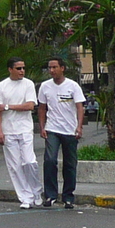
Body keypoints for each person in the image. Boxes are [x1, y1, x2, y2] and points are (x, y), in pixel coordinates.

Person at [35, 57, 86, 210]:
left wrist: (79, 126)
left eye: (55, 67)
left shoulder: (73, 86)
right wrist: (42, 127)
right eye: (50, 67)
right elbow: (42, 108)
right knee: (50, 160)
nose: (52, 70)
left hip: (70, 130)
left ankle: (68, 197)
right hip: (52, 129)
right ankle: (50, 195)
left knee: (70, 163)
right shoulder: (45, 86)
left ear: (62, 68)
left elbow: (79, 107)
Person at [0, 59, 43, 209]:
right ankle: (25, 197)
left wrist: (8, 106)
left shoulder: (28, 84)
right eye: (18, 68)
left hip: (25, 129)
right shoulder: (1, 87)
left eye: (23, 68)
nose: (22, 71)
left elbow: (30, 106)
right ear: (10, 69)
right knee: (15, 166)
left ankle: (36, 191)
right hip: (8, 131)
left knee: (29, 161)